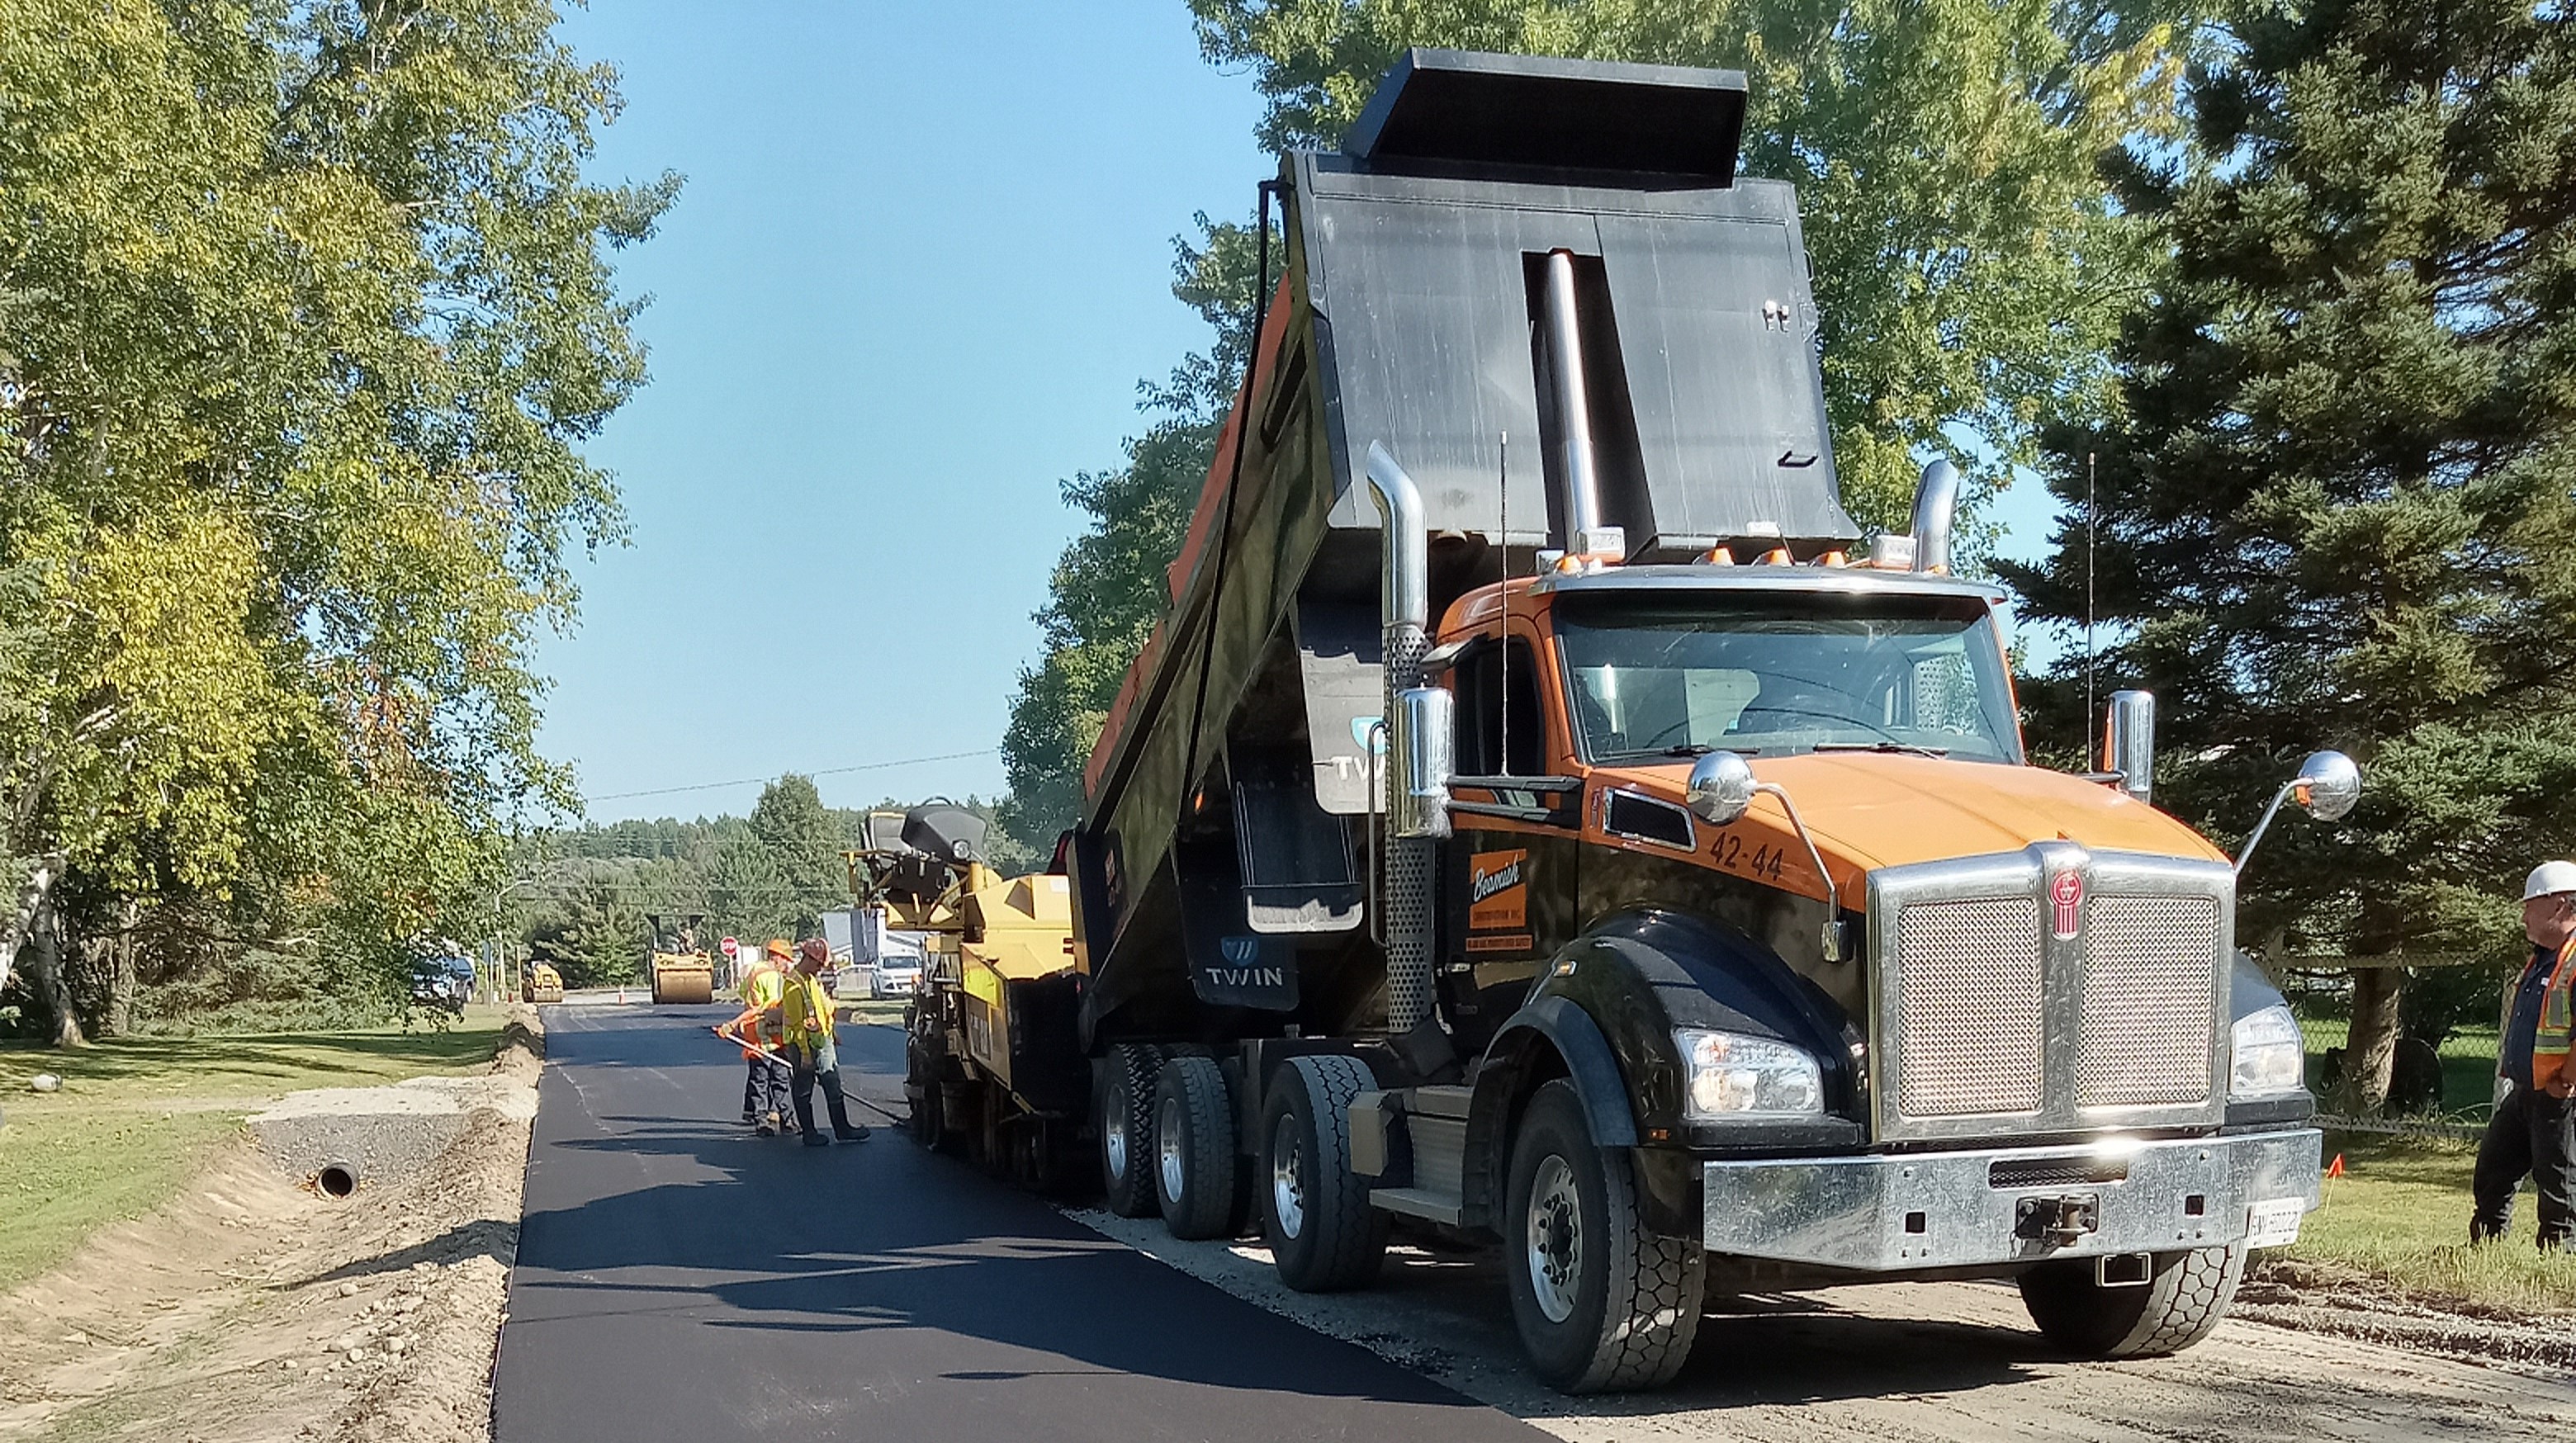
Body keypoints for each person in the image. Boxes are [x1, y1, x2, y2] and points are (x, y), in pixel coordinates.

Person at [2471, 860, 2576, 1248]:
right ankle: (2486, 1246)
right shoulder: (2544, 958)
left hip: (2560, 1095)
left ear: (2561, 905)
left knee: (2559, 1183)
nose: (2523, 916)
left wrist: (2565, 1081)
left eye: (2530, 905)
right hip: (2527, 1091)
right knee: (2493, 1171)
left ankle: (2559, 1256)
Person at [774, 937, 868, 1146]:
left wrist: (831, 1033)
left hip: (821, 1041)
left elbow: (822, 1010)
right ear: (808, 958)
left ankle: (843, 1130)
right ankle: (809, 1133)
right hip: (802, 1045)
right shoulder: (792, 986)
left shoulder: (811, 981)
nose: (819, 969)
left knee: (832, 1083)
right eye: (818, 964)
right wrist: (806, 1054)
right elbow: (798, 1024)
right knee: (803, 1087)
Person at [736, 941, 793, 1136]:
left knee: (759, 1079)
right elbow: (776, 1007)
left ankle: (760, 1120)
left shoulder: (754, 971)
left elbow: (743, 994)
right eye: (787, 961)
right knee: (780, 1079)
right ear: (778, 958)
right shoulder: (774, 977)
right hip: (772, 1035)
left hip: (754, 1036)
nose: (788, 967)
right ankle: (787, 1120)